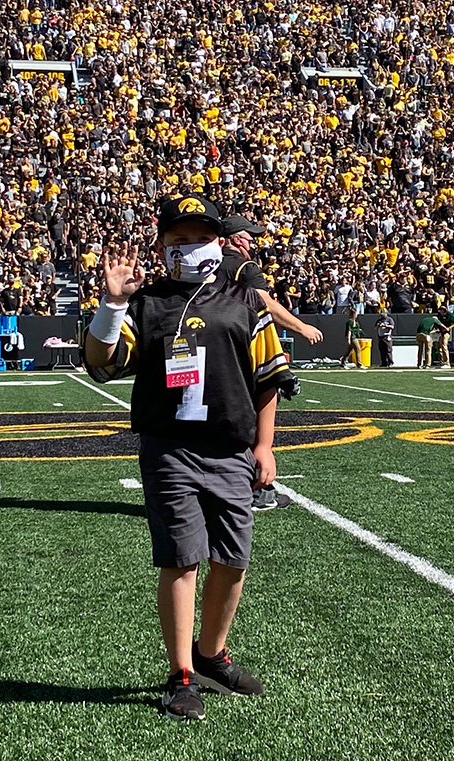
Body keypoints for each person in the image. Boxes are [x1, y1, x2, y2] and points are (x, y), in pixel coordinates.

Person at [83, 194, 296, 721]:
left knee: (233, 562)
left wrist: (264, 447)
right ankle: (181, 674)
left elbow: (268, 378)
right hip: (169, 447)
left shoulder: (244, 299)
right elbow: (101, 367)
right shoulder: (148, 301)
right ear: (160, 246)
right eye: (178, 239)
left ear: (219, 241)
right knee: (180, 560)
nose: (189, 247)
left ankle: (211, 654)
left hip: (229, 448)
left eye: (199, 237)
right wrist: (111, 306)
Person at [220, 215, 323, 346]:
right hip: (235, 338)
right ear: (237, 240)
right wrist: (302, 328)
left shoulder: (208, 266)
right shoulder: (246, 267)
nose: (252, 242)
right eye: (250, 239)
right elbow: (265, 302)